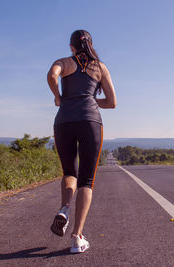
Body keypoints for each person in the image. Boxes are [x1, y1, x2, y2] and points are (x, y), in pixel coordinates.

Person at [47, 29, 116, 253]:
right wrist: (93, 102)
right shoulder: (100, 67)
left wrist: (58, 96)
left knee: (69, 172)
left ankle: (64, 208)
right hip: (90, 123)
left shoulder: (64, 62)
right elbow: (112, 102)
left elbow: (51, 75)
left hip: (64, 122)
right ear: (90, 45)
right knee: (87, 181)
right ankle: (77, 237)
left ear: (71, 47)